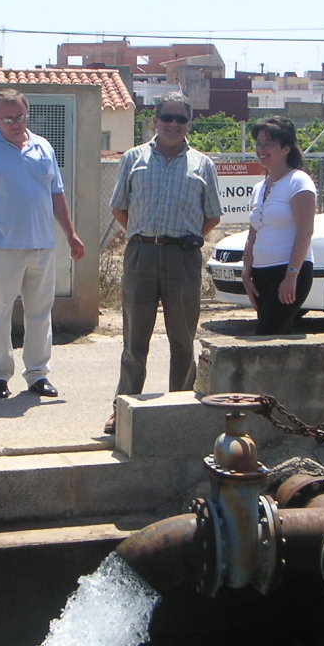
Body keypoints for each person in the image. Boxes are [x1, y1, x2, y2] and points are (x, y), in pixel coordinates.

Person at [0, 89, 85, 399]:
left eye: (20, 117)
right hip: (0, 244)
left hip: (41, 244)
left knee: (39, 311)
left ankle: (37, 374)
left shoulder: (43, 147)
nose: (14, 123)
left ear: (27, 115)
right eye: (7, 118)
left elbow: (56, 194)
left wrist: (70, 233)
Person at [105, 91, 221, 435]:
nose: (173, 124)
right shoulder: (134, 159)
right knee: (134, 340)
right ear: (155, 120)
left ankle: (181, 407)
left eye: (180, 119)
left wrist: (181, 238)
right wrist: (144, 234)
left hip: (182, 257)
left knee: (183, 339)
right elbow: (119, 207)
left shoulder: (203, 164)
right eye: (166, 117)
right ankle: (122, 408)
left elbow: (212, 215)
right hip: (141, 254)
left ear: (189, 123)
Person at [242, 116, 316, 335]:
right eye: (259, 143)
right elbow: (253, 233)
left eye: (269, 144)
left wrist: (291, 275)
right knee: (276, 337)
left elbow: (305, 232)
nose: (262, 149)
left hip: (288, 271)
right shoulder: (259, 187)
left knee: (268, 335)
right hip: (261, 274)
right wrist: (246, 272)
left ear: (286, 148)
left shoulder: (298, 181)